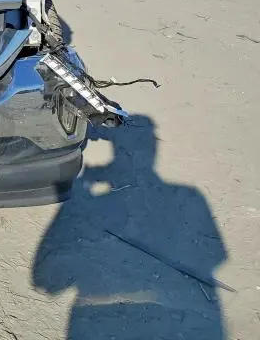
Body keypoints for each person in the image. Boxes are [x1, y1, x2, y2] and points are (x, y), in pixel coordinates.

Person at [32, 115, 227, 339]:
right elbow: (216, 256)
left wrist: (82, 191)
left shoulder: (188, 195)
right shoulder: (190, 195)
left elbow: (45, 282)